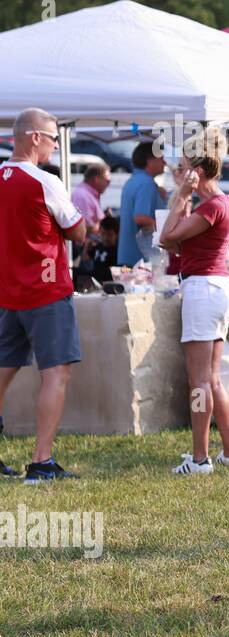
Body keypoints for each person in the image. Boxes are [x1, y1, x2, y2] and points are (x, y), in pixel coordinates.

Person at [0, 107, 86, 482]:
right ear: (34, 137)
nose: (54, 144)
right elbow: (78, 229)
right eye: (52, 138)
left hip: (7, 293)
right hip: (46, 291)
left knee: (2, 373)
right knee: (55, 375)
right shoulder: (44, 180)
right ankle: (41, 460)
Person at [158, 127, 229, 475]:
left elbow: (166, 238)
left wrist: (181, 194)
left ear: (197, 169)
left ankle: (199, 459)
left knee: (200, 382)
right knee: (213, 378)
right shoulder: (219, 203)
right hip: (216, 288)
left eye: (181, 167)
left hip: (203, 290)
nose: (177, 173)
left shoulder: (211, 206)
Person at [117, 140, 166, 266]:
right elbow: (140, 218)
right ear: (150, 161)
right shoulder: (146, 183)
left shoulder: (132, 181)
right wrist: (166, 228)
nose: (164, 162)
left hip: (129, 257)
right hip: (141, 261)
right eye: (161, 158)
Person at [77, 213, 119, 285]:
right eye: (103, 234)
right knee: (75, 271)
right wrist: (87, 245)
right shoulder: (99, 247)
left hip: (108, 280)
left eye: (109, 234)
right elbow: (85, 258)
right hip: (95, 278)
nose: (106, 238)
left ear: (116, 234)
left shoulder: (117, 250)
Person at [71, 162, 109, 236]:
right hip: (85, 245)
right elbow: (87, 228)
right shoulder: (83, 196)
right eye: (107, 181)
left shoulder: (87, 194)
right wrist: (106, 222)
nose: (108, 184)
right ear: (97, 179)